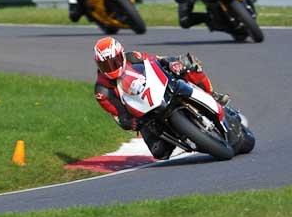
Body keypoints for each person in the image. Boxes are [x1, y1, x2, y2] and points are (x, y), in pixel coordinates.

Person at [92, 36, 232, 160]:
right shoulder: (102, 90)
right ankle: (179, 138)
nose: (111, 68)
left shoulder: (133, 57)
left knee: (189, 64)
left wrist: (172, 63)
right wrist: (128, 122)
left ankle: (212, 94)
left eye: (114, 62)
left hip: (158, 90)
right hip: (141, 114)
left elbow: (156, 60)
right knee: (160, 153)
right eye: (105, 65)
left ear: (121, 54)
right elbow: (117, 113)